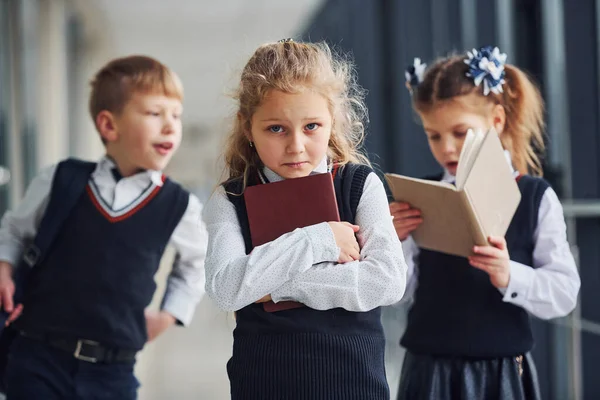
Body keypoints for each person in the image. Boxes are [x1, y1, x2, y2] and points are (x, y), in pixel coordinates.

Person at [203, 39, 407, 400]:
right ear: (247, 127)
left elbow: (386, 283)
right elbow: (225, 289)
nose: (296, 145)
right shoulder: (229, 200)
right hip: (264, 384)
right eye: (276, 129)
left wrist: (272, 286)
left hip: (355, 383)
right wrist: (320, 240)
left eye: (311, 126)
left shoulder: (360, 185)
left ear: (333, 120)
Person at [0, 55, 207, 399]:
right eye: (155, 114)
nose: (171, 126)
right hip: (38, 358)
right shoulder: (62, 179)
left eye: (176, 115)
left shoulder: (178, 205)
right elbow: (14, 230)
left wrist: (169, 315)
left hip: (114, 373)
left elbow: (195, 264)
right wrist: (4, 267)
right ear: (110, 126)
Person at [391, 46, 581, 400]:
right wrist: (396, 242)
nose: (447, 148)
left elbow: (565, 293)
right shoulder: (421, 197)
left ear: (496, 120)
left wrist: (510, 275)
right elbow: (399, 294)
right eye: (434, 135)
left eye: (461, 133)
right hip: (429, 369)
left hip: (502, 371)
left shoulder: (535, 197)